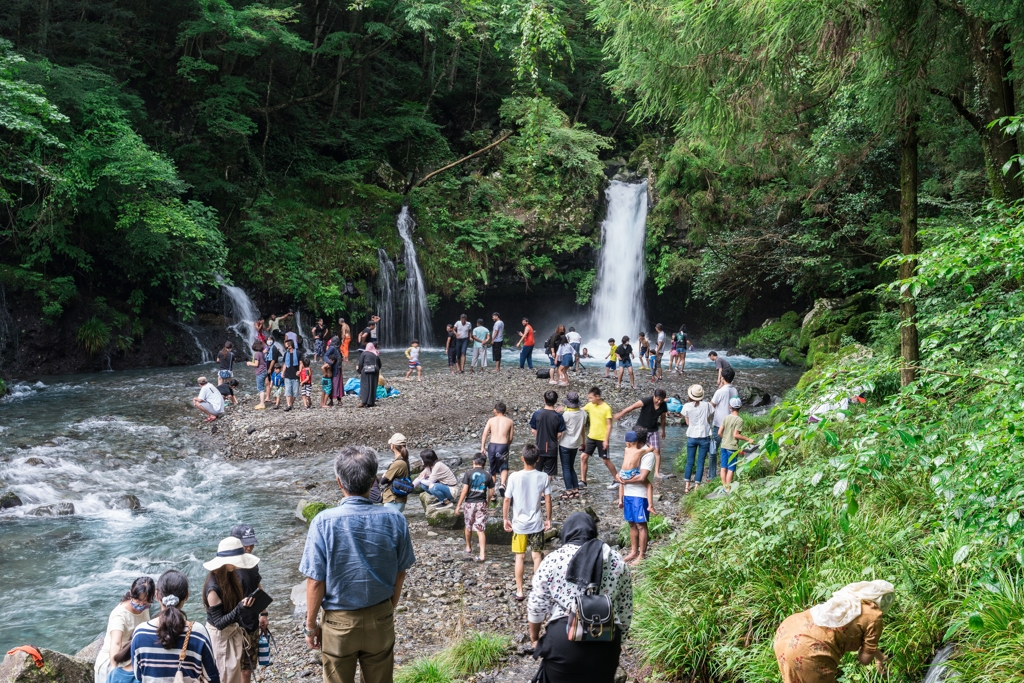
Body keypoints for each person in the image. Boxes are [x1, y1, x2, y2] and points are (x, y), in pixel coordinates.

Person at [301, 446, 415, 683]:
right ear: (374, 481)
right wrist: (388, 608)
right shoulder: (395, 519)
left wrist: (311, 627)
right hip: (381, 615)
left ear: (338, 481)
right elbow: (400, 572)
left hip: (339, 622)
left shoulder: (323, 522)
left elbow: (315, 582)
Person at [527, 513, 633, 683]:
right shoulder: (616, 560)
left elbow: (537, 604)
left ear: (567, 533)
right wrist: (618, 641)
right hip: (606, 638)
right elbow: (625, 608)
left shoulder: (553, 559)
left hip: (564, 639)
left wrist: (534, 637)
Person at [774, 581, 894, 683]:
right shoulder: (874, 616)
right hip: (808, 647)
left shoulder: (850, 597)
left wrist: (879, 656)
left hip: (787, 630)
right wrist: (871, 654)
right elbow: (865, 659)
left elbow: (839, 629)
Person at [130, 570, 220, 683]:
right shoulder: (198, 632)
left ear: (157, 595)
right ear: (187, 595)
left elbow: (139, 676)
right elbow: (213, 678)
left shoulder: (140, 634)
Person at [202, 537, 259, 683]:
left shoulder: (230, 576)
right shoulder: (213, 588)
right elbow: (219, 623)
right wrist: (240, 608)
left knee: (234, 676)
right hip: (220, 639)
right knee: (225, 677)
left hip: (232, 632)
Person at [503, 444, 552, 601]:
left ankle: (519, 591)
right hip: (536, 523)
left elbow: (507, 499)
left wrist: (505, 518)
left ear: (522, 458)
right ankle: (536, 589)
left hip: (519, 524)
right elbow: (548, 499)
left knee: (520, 557)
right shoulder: (543, 476)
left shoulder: (514, 477)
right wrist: (548, 519)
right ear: (538, 459)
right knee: (537, 556)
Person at [95, 577, 155, 683]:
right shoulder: (119, 615)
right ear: (131, 594)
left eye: (145, 603)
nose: (141, 605)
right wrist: (114, 669)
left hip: (131, 656)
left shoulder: (144, 608)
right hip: (114, 658)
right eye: (138, 601)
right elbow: (116, 644)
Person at [229, 524, 269, 683]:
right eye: (245, 543)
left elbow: (257, 587)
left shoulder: (252, 563)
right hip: (234, 626)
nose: (249, 547)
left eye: (251, 542)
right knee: (234, 668)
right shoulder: (228, 569)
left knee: (248, 667)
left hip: (251, 623)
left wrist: (264, 613)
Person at [617, 429, 655, 565]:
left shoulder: (647, 455)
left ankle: (642, 554)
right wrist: (618, 477)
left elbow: (642, 477)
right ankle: (633, 551)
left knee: (640, 524)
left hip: (640, 495)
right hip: (628, 493)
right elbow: (624, 468)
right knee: (632, 523)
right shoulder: (630, 450)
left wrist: (624, 480)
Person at [613, 389, 668, 479]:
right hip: (640, 429)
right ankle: (632, 469)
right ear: (654, 396)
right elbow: (632, 407)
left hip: (653, 430)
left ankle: (657, 473)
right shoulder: (646, 400)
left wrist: (663, 430)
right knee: (635, 450)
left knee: (657, 451)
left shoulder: (663, 405)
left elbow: (663, 419)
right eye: (657, 399)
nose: (659, 401)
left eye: (661, 400)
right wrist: (620, 414)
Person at [454, 452, 494, 562]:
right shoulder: (488, 475)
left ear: (473, 462)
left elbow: (465, 490)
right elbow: (491, 491)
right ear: (484, 463)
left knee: (468, 525)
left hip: (469, 503)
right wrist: (488, 500)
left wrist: (458, 505)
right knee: (480, 529)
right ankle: (482, 554)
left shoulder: (468, 473)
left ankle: (468, 547)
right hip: (481, 503)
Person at [581, 386, 620, 490]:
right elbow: (579, 410)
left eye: (591, 397)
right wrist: (566, 408)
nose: (589, 400)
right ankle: (583, 481)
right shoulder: (590, 405)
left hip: (602, 438)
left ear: (597, 396)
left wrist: (606, 439)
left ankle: (617, 480)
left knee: (605, 460)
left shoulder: (606, 408)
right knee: (583, 457)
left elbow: (609, 425)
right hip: (591, 437)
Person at [682, 384, 713, 493]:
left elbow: (687, 422)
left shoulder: (686, 406)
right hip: (704, 436)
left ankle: (686, 486)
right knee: (700, 462)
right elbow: (708, 420)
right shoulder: (708, 405)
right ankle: (696, 487)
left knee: (690, 461)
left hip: (692, 436)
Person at [719, 396, 754, 491]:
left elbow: (719, 432)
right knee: (731, 468)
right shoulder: (739, 420)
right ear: (741, 407)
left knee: (723, 467)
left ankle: (724, 487)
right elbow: (736, 435)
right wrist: (748, 439)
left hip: (723, 446)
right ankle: (728, 489)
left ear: (730, 406)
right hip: (732, 448)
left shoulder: (726, 418)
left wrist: (725, 439)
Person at [530, 390, 566, 480]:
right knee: (549, 472)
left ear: (544, 400)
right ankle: (544, 492)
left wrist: (539, 437)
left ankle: (537, 490)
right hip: (552, 448)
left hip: (539, 447)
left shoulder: (537, 414)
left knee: (536, 471)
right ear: (556, 401)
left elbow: (533, 431)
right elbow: (560, 434)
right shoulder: (559, 417)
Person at [481, 402, 515, 495]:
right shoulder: (510, 421)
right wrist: (507, 445)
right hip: (503, 445)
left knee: (493, 469)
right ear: (505, 411)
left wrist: (482, 447)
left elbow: (485, 434)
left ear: (495, 410)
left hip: (492, 446)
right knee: (504, 467)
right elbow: (511, 437)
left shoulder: (491, 420)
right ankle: (502, 484)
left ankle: (492, 494)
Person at [558, 391, 585, 498]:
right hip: (576, 443)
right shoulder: (583, 413)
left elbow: (561, 430)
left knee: (565, 467)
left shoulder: (566, 415)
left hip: (565, 443)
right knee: (571, 466)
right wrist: (584, 442)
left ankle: (569, 490)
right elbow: (583, 429)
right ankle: (576, 489)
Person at [710, 367, 739, 466]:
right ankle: (728, 470)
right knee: (730, 448)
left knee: (713, 450)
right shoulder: (735, 390)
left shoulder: (720, 392)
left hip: (719, 424)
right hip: (732, 424)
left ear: (722, 378)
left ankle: (712, 476)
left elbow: (711, 405)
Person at [380, 434, 411, 512]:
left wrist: (384, 475)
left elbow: (382, 481)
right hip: (399, 500)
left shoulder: (397, 463)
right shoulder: (405, 460)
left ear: (392, 446)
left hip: (393, 501)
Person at [356, 343, 382, 408]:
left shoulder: (364, 353)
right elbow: (380, 364)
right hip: (375, 371)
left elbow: (361, 363)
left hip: (366, 370)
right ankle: (371, 402)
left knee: (365, 385)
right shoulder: (375, 353)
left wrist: (359, 371)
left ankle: (364, 401)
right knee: (373, 386)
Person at [246, 341, 268, 410]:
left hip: (260, 372)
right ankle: (262, 402)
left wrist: (249, 363)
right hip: (264, 370)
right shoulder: (261, 353)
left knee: (260, 388)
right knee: (263, 386)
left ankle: (262, 404)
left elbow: (256, 364)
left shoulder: (256, 354)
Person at [281, 339, 300, 412]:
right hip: (287, 374)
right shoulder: (286, 354)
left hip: (295, 374)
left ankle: (291, 404)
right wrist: (283, 372)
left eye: (286, 344)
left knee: (295, 393)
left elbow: (301, 363)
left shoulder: (298, 353)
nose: (285, 345)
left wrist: (299, 371)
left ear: (290, 345)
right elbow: (285, 364)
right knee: (288, 390)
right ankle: (288, 405)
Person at [324, 337, 343, 406]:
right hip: (334, 369)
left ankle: (338, 400)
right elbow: (325, 355)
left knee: (338, 384)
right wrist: (330, 362)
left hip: (338, 368)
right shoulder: (332, 348)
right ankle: (332, 400)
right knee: (333, 384)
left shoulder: (337, 348)